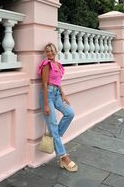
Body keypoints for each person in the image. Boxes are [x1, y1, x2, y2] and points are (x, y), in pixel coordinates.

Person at [38, 43, 78, 172]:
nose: (50, 53)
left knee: (70, 113)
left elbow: (58, 82)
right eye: (47, 51)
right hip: (48, 95)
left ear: (56, 51)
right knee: (53, 124)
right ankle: (63, 156)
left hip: (56, 94)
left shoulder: (58, 65)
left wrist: (63, 95)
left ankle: (55, 135)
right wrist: (45, 104)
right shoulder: (46, 65)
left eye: (51, 51)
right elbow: (44, 84)